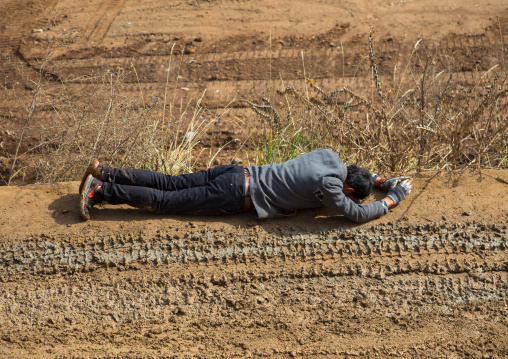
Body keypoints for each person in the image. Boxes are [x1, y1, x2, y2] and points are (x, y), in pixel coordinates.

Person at [79, 148, 412, 222]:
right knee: (166, 202)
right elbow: (354, 213)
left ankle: (106, 170)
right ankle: (101, 191)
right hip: (235, 194)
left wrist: (378, 179)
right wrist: (391, 197)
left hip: (236, 172)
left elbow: (356, 173)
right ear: (348, 189)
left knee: (170, 182)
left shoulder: (330, 156)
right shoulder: (331, 187)